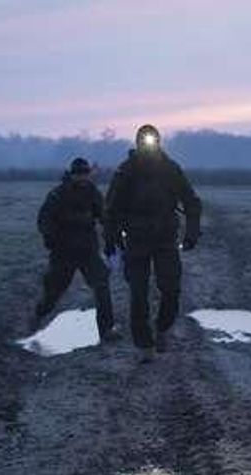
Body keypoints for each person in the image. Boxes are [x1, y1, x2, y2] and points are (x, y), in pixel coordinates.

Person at [105, 125, 202, 363]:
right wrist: (111, 240)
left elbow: (191, 201)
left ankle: (162, 329)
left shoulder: (170, 169)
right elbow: (111, 208)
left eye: (152, 141)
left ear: (158, 142)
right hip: (136, 240)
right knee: (138, 294)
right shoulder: (126, 171)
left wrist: (192, 232)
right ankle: (144, 345)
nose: (148, 146)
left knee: (171, 289)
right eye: (144, 141)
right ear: (137, 143)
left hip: (165, 239)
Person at [33, 157, 119, 342]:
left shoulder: (92, 193)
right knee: (53, 293)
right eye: (78, 174)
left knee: (101, 286)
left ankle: (106, 330)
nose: (81, 178)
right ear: (71, 174)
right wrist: (50, 238)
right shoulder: (58, 194)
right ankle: (39, 314)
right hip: (63, 251)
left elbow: (105, 216)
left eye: (84, 174)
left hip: (88, 250)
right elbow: (44, 219)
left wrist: (112, 236)